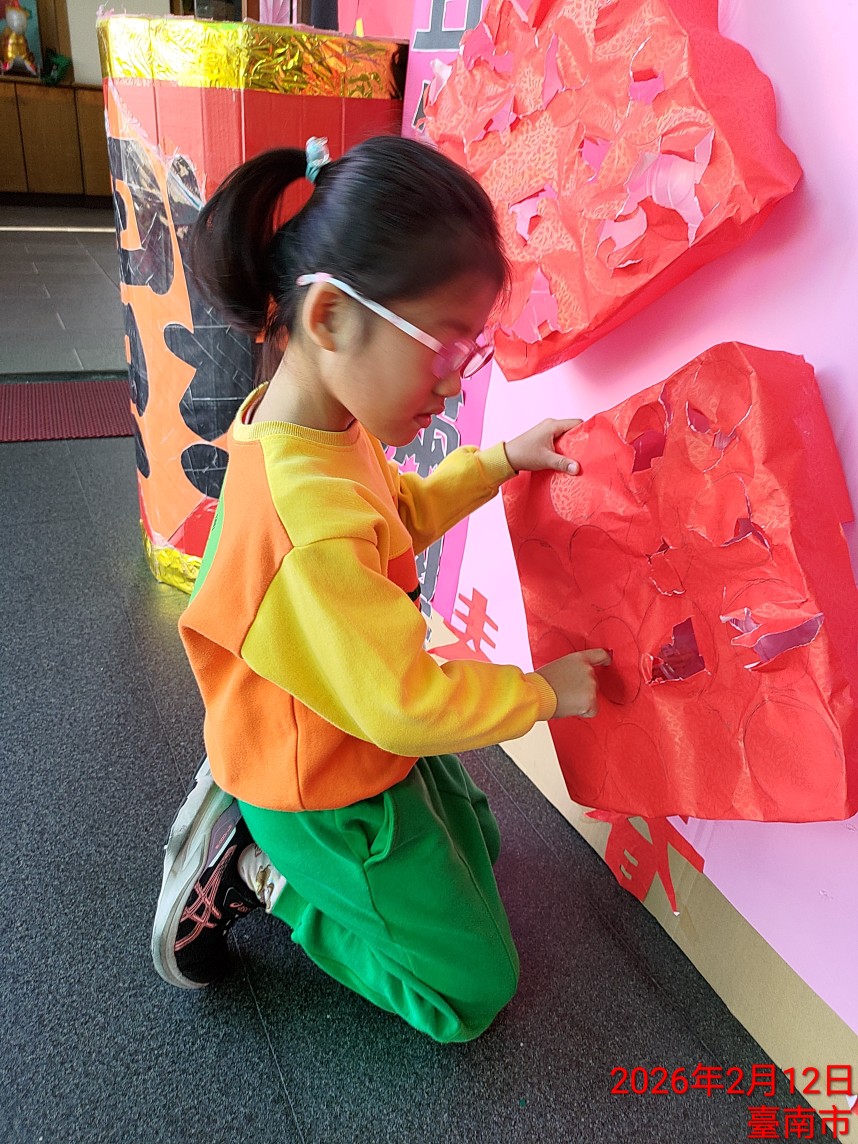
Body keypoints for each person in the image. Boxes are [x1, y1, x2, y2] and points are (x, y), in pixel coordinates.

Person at [151, 134, 610, 1045]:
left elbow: (394, 519)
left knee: (482, 844)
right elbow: (405, 704)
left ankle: (283, 841)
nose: (454, 383)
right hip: (317, 779)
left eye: (469, 353)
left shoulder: (324, 424)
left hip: (348, 718)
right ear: (330, 318)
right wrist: (541, 694)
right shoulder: (307, 519)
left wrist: (499, 461)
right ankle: (261, 874)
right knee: (470, 994)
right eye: (444, 348)